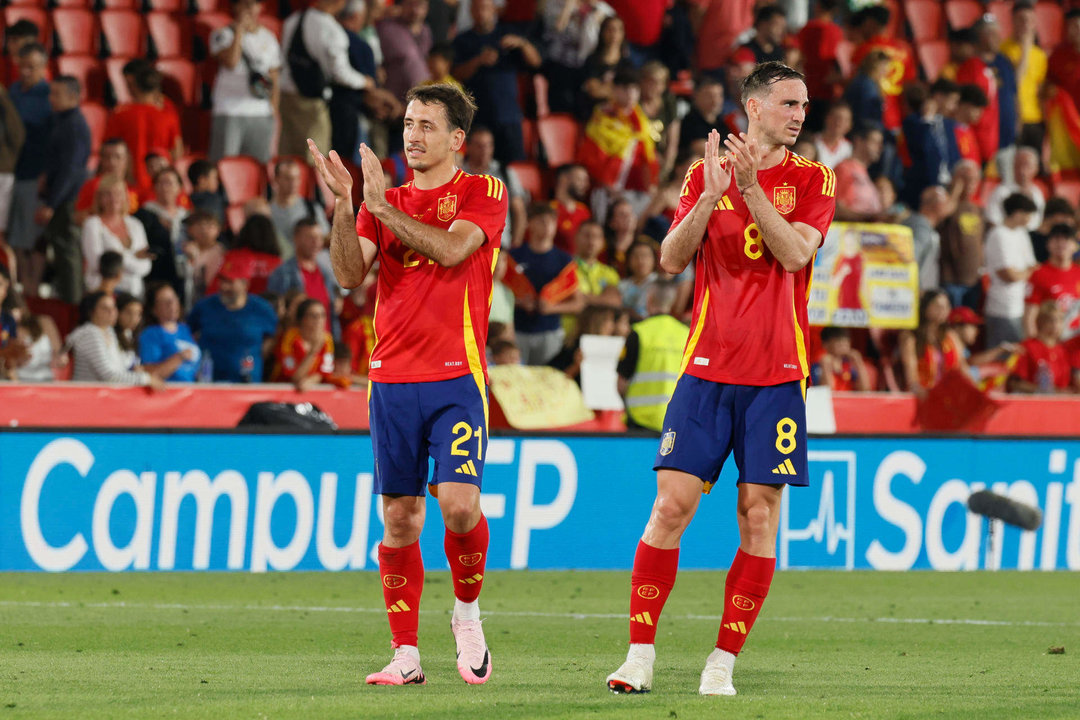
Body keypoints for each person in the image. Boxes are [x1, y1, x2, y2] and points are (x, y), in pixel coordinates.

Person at [605, 61, 836, 697]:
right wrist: (711, 193)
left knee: (757, 517)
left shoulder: (815, 178)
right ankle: (640, 656)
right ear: (754, 107)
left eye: (804, 104)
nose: (800, 114)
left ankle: (722, 662)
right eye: (790, 103)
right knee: (670, 506)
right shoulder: (699, 174)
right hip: (705, 372)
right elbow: (670, 260)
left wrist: (750, 187)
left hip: (778, 378)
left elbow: (795, 253)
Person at [307, 82, 508, 686]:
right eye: (408, 123)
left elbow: (450, 251)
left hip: (456, 379)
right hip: (391, 379)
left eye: (426, 125)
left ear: (456, 140)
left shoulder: (482, 192)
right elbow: (347, 274)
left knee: (459, 503)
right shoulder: (378, 197)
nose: (412, 135)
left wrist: (383, 208)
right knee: (399, 519)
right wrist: (347, 204)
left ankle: (467, 616)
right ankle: (406, 654)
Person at [279, 0, 374, 159]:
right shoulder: (332, 30)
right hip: (312, 105)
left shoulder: (293, 19)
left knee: (288, 157)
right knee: (315, 160)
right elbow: (340, 73)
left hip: (287, 98)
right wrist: (365, 81)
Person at [451, 0, 541, 166]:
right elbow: (456, 75)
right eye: (477, 9)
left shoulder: (508, 34)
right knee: (479, 168)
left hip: (510, 117)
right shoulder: (462, 40)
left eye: (485, 8)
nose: (481, 13)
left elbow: (536, 63)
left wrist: (523, 44)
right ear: (471, 12)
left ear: (494, 10)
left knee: (513, 168)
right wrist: (478, 61)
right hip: (479, 118)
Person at [37, 75, 91, 304]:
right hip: (61, 197)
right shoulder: (62, 120)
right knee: (61, 254)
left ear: (73, 96)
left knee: (68, 255)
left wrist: (52, 204)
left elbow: (71, 170)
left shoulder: (75, 125)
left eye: (56, 94)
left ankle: (73, 306)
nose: (51, 99)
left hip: (68, 200)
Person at [511, 202, 585, 364]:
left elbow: (578, 303)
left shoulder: (564, 260)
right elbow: (496, 293)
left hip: (549, 331)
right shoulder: (514, 256)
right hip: (518, 330)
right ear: (530, 223)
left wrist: (552, 308)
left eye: (551, 222)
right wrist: (518, 303)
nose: (547, 226)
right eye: (542, 221)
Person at [209, 0, 281, 163]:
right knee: (225, 164)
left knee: (259, 167)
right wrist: (239, 31)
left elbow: (274, 76)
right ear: (236, 6)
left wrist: (273, 109)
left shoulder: (268, 37)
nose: (249, 8)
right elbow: (231, 63)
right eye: (245, 3)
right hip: (229, 110)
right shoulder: (221, 34)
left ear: (260, 7)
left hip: (261, 112)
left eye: (254, 4)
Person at [187, 255, 279, 382]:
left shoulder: (261, 308)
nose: (224, 287)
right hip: (209, 384)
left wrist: (258, 354)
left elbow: (274, 335)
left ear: (245, 284)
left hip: (247, 384)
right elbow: (187, 333)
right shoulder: (204, 307)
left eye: (230, 282)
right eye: (222, 280)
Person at [7, 42, 50, 294]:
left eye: (31, 67)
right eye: (22, 66)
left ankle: (32, 290)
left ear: (44, 68)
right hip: (11, 173)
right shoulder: (13, 91)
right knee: (15, 237)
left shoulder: (49, 96)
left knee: (33, 237)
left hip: (34, 176)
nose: (25, 72)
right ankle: (19, 287)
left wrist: (46, 174)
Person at [617, 281, 689, 431]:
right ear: (673, 302)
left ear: (648, 299)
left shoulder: (638, 333)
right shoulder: (686, 334)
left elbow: (621, 384)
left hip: (640, 422)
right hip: (676, 422)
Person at [65, 291, 168, 388]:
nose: (112, 312)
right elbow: (109, 376)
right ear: (91, 311)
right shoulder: (89, 334)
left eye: (113, 307)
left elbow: (119, 371)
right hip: (87, 399)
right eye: (105, 308)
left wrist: (136, 372)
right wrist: (146, 379)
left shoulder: (108, 331)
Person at [266, 217, 342, 337]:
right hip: (296, 346)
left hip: (326, 346)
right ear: (296, 239)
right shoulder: (282, 274)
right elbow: (273, 314)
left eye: (319, 237)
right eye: (310, 237)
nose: (316, 242)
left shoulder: (326, 272)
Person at [82, 177, 153, 298]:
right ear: (99, 198)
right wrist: (134, 256)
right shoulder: (92, 224)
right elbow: (98, 264)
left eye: (118, 193)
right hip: (104, 294)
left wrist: (115, 258)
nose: (113, 199)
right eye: (107, 194)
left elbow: (146, 267)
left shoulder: (136, 224)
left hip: (135, 294)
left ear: (125, 196)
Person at [984, 193, 1037, 346]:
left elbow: (1033, 266)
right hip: (1003, 307)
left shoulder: (1022, 233)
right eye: (1028, 214)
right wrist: (1027, 272)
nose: (1030, 219)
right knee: (1002, 357)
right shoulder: (998, 234)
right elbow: (1008, 275)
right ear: (1018, 213)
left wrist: (1024, 272)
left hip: (1021, 306)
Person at [461, 125, 526, 248]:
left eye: (488, 145)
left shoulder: (505, 172)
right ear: (468, 147)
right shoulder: (459, 173)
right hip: (466, 245)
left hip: (500, 245)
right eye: (479, 145)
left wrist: (516, 242)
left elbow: (519, 210)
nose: (484, 150)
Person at [897, 288, 967, 395]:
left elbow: (962, 367)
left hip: (949, 394)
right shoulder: (909, 337)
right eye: (938, 306)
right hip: (923, 394)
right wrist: (923, 393)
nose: (943, 310)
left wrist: (975, 391)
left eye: (946, 306)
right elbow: (911, 376)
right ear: (925, 307)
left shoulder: (951, 336)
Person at [136, 167, 191, 302]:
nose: (165, 187)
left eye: (169, 183)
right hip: (155, 275)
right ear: (154, 187)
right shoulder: (144, 214)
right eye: (160, 183)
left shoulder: (187, 217)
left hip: (181, 275)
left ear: (179, 188)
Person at [938, 160, 985, 311]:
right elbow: (941, 214)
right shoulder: (946, 203)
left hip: (973, 280)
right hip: (952, 280)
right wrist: (956, 190)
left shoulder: (976, 208)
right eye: (965, 178)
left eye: (974, 179)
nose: (970, 183)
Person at [1024, 224, 1080, 340]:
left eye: (1066, 239)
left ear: (1075, 246)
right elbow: (1029, 316)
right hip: (1052, 341)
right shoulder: (1039, 274)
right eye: (1055, 239)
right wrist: (1036, 347)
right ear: (1048, 245)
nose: (1060, 244)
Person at [139, 282, 201, 382]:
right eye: (165, 301)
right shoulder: (150, 334)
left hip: (191, 391)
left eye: (174, 299)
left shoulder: (185, 329)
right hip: (166, 392)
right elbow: (150, 373)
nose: (171, 304)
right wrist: (179, 358)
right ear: (154, 309)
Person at [1009, 302, 1075, 393]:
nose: (1056, 325)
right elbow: (1015, 383)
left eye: (1060, 320)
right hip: (1035, 401)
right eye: (1051, 320)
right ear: (1040, 322)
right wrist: (1050, 392)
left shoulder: (1064, 349)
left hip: (1062, 402)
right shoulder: (1027, 347)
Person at [271, 297, 335, 389]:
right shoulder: (289, 337)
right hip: (280, 390)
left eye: (323, 315)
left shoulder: (327, 339)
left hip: (311, 391)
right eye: (314, 316)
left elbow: (326, 371)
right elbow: (293, 376)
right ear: (303, 319)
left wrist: (312, 380)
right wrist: (313, 351)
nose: (320, 320)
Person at [269, 158, 330, 255]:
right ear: (276, 179)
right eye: (287, 178)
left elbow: (325, 237)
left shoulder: (312, 208)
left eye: (296, 178)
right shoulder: (267, 212)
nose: (293, 183)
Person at [902, 185, 950, 292]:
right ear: (938, 205)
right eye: (946, 202)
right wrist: (917, 288)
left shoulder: (923, 224)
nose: (949, 207)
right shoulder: (921, 226)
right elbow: (911, 257)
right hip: (916, 292)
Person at [985, 147, 1044, 231]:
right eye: (1018, 165)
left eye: (1026, 165)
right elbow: (993, 220)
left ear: (1036, 169)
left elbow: (1038, 222)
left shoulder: (1037, 193)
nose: (1022, 171)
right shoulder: (1001, 191)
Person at [810, 326, 872, 391]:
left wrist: (858, 363)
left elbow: (865, 389)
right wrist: (826, 368)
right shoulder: (817, 367)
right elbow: (827, 391)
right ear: (825, 344)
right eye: (838, 342)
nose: (843, 345)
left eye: (846, 342)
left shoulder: (849, 366)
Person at [550, 163, 592, 254]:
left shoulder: (584, 211)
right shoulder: (549, 210)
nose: (585, 185)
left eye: (586, 181)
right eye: (580, 180)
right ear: (563, 179)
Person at [618, 240, 657, 320]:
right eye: (635, 256)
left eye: (645, 256)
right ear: (628, 261)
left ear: (654, 260)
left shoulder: (660, 283)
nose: (640, 260)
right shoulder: (622, 285)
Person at [813, 102, 852, 169]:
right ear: (827, 118)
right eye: (836, 117)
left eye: (844, 120)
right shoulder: (813, 142)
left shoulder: (848, 149)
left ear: (849, 125)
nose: (838, 122)